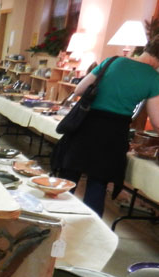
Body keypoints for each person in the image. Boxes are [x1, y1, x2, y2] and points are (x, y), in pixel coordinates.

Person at [52, 36, 159, 217]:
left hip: (85, 126)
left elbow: (79, 90)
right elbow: (156, 121)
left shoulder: (112, 61)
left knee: (68, 177)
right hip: (113, 134)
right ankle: (90, 233)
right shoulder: (154, 79)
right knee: (98, 184)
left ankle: (54, 220)